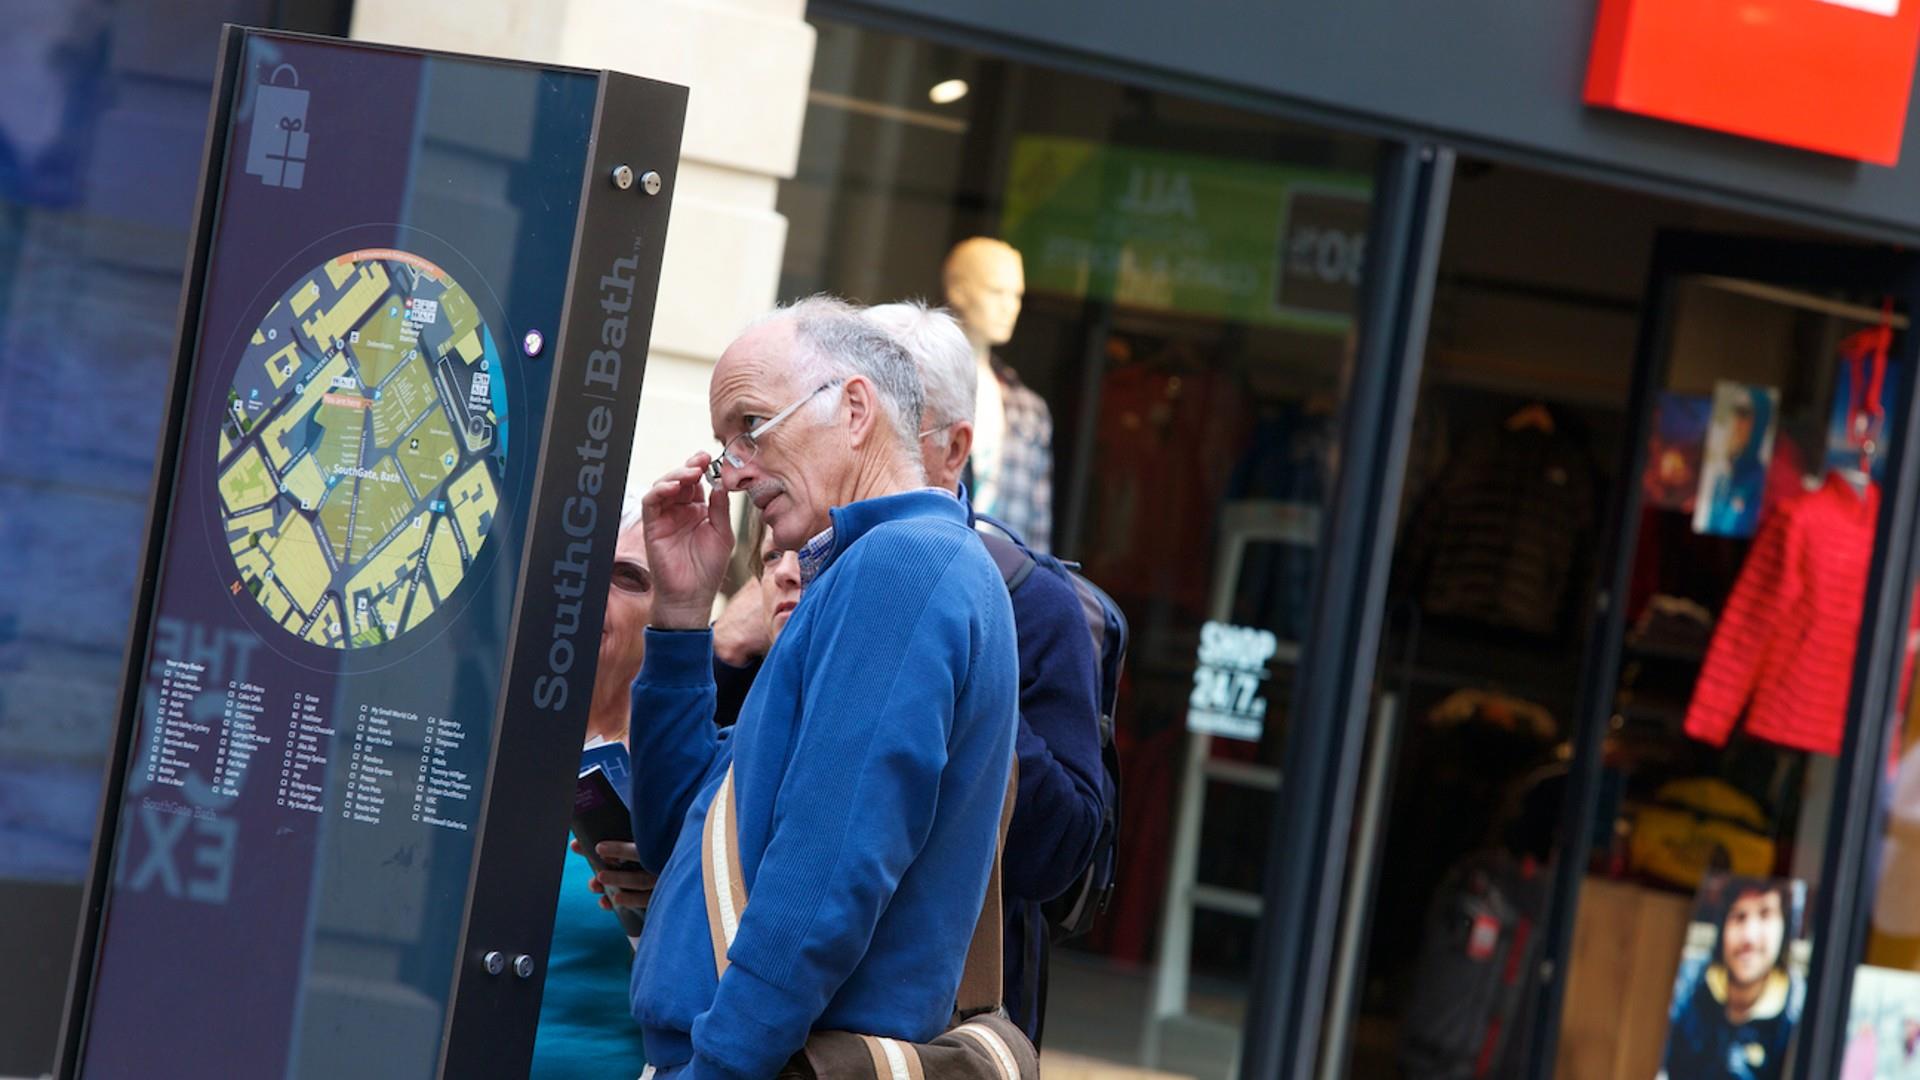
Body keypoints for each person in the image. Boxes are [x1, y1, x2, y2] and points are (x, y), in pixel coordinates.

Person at [624, 296, 1021, 1079]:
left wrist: (717, 1071)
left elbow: (827, 873)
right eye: (722, 443)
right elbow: (676, 843)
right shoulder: (875, 571)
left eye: (751, 425)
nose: (732, 471)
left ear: (853, 408)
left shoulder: (899, 567)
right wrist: (679, 614)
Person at [866, 300, 1104, 1043]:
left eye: (883, 427)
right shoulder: (786, 561)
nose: (851, 450)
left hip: (933, 1037)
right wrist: (723, 648)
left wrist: (968, 669)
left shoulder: (1031, 604)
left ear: (953, 449)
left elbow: (1061, 859)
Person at [529, 504, 655, 1080]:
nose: (589, 589)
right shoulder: (479, 751)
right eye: (578, 566)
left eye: (626, 577)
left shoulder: (691, 779)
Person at [1661, 878, 1805, 1080]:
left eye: (1765, 915)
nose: (1749, 937)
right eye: (1739, 916)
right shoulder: (1688, 987)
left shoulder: (1797, 1016)